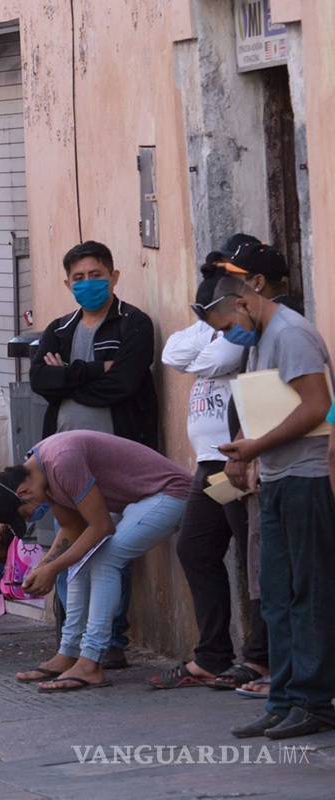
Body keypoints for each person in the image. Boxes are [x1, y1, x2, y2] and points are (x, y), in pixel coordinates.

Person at [201, 267, 335, 740]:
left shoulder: (291, 334)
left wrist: (255, 448)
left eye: (224, 326)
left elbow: (317, 405)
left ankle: (315, 701)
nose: (227, 336)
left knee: (308, 592)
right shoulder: (258, 337)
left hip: (306, 477)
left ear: (244, 302)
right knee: (275, 595)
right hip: (276, 477)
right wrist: (243, 444)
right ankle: (283, 698)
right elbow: (265, 404)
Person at [0, 430, 190, 692]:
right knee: (80, 561)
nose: (32, 518)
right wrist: (45, 565)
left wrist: (52, 567)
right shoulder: (41, 469)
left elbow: (101, 527)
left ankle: (91, 662)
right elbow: (71, 528)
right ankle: (68, 653)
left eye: (24, 514)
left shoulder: (60, 461)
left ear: (23, 491)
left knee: (105, 558)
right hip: (138, 501)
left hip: (170, 493)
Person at [29, 240, 156, 670]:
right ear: (68, 283)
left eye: (96, 275)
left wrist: (67, 375)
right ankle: (73, 640)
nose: (88, 284)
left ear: (114, 276)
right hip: (62, 464)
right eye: (79, 278)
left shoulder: (133, 325)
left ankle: (108, 643)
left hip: (115, 461)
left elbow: (123, 385)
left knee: (107, 549)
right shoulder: (59, 330)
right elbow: (41, 382)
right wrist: (86, 372)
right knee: (69, 544)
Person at [150, 268, 267, 691]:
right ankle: (214, 655)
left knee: (255, 561)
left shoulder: (246, 329)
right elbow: (172, 354)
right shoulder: (213, 329)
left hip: (235, 461)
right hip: (210, 464)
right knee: (196, 548)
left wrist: (209, 345)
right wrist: (207, 336)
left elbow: (220, 358)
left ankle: (259, 658)